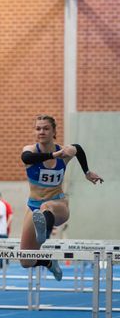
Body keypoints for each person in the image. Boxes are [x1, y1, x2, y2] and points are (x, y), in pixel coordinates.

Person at [20, 114, 103, 281]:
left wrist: (86, 171)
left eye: (46, 128)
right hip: (33, 206)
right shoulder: (30, 150)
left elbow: (77, 148)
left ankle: (45, 232)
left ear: (54, 131)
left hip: (58, 205)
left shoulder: (64, 152)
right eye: (38, 128)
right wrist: (54, 155)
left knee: (47, 207)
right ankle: (49, 262)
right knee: (26, 260)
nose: (41, 131)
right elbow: (26, 158)